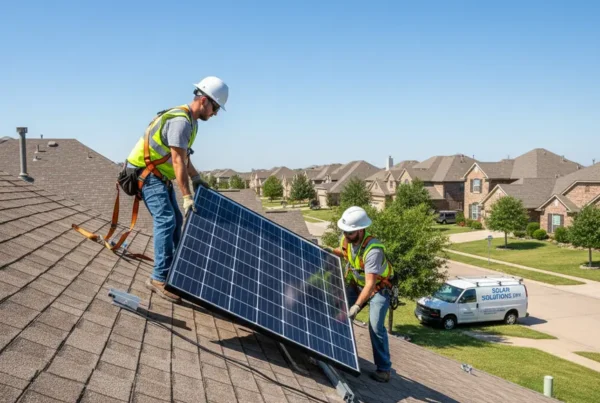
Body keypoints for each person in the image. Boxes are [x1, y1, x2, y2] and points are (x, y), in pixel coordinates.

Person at [125, 76, 229, 302]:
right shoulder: (181, 122)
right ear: (204, 101)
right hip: (146, 173)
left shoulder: (191, 122)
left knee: (176, 221)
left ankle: (173, 271)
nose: (215, 113)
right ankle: (158, 278)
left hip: (158, 175)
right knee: (166, 220)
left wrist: (197, 178)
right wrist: (187, 196)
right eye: (215, 108)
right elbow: (177, 161)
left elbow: (184, 158)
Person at [327, 206, 393, 382]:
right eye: (345, 231)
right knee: (337, 311)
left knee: (376, 326)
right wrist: (329, 250)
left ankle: (384, 369)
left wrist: (356, 306)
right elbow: (344, 252)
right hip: (357, 285)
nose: (345, 235)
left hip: (379, 289)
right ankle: (334, 351)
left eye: (349, 232)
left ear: (360, 230)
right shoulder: (347, 239)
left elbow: (371, 284)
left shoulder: (373, 250)